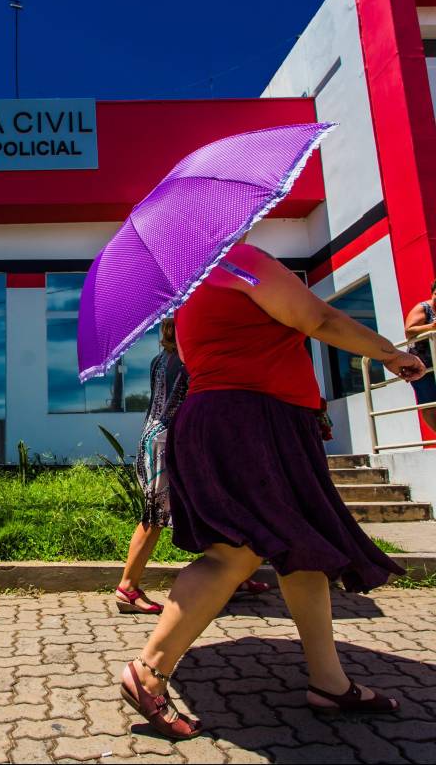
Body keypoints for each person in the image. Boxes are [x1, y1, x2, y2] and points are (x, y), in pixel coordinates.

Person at [119, 243, 425, 740]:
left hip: (225, 418)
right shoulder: (239, 262)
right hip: (253, 421)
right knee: (233, 554)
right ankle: (148, 671)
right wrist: (391, 354)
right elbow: (318, 319)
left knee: (302, 549)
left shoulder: (192, 287)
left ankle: (329, 681)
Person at [115, 319, 269, 615]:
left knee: (215, 506)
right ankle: (128, 587)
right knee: (156, 515)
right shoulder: (191, 359)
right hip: (168, 440)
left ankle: (232, 576)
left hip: (156, 436)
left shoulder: (159, 360)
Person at [405, 278, 436, 433]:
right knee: (429, 402)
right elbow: (408, 330)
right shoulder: (423, 308)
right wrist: (431, 326)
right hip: (421, 364)